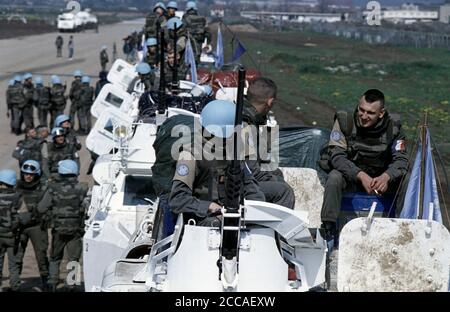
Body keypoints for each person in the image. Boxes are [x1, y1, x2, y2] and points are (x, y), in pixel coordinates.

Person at [319, 89, 408, 241]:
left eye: (370, 113)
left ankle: (404, 226)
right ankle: (328, 228)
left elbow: (401, 160)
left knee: (407, 179)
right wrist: (360, 176)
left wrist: (387, 176)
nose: (364, 116)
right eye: (361, 110)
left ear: (381, 113)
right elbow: (337, 156)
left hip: (380, 179)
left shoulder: (394, 127)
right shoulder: (345, 121)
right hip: (351, 176)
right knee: (334, 177)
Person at [163, 100, 265, 229]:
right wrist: (209, 207)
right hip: (203, 219)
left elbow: (251, 187)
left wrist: (254, 211)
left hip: (233, 213)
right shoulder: (190, 156)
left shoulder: (233, 151)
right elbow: (178, 200)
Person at [242, 78, 295, 209]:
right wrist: (274, 179)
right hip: (238, 185)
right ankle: (277, 229)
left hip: (238, 179)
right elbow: (251, 171)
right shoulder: (246, 125)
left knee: (276, 174)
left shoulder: (244, 116)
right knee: (284, 191)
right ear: (270, 102)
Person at [39, 160, 88, 292]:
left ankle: (52, 283)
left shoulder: (53, 188)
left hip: (58, 230)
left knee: (55, 258)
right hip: (76, 230)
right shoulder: (83, 188)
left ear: (60, 172)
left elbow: (41, 208)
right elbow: (89, 207)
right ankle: (72, 285)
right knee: (74, 259)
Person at [16, 160, 50, 291]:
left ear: (37, 175)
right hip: (20, 227)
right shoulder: (16, 187)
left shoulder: (44, 187)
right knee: (17, 256)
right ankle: (15, 283)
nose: (28, 176)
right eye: (25, 174)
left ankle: (46, 282)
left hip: (37, 227)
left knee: (41, 256)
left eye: (31, 174)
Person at [0, 169, 22, 292]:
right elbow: (22, 216)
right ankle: (15, 287)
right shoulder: (17, 196)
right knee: (13, 265)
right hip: (12, 236)